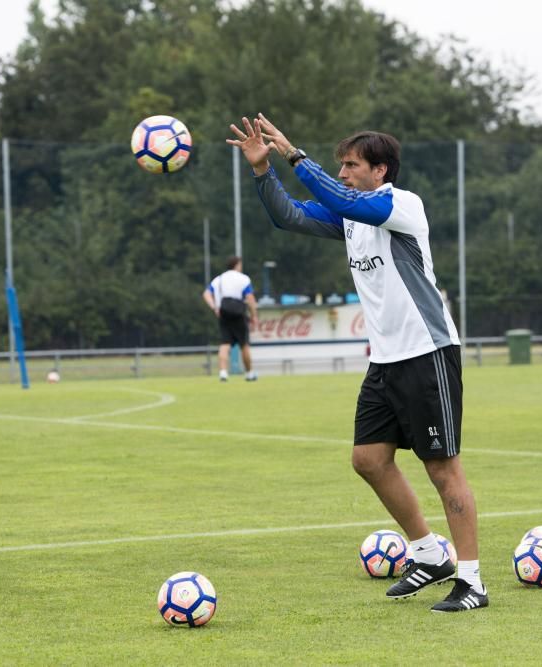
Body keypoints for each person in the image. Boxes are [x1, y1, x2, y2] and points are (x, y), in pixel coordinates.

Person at [227, 113, 486, 613]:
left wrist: (293, 153)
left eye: (351, 164)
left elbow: (341, 198)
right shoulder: (351, 217)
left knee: (442, 468)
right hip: (386, 360)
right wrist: (263, 170)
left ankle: (472, 581)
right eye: (340, 164)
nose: (342, 172)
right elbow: (291, 216)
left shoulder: (401, 205)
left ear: (381, 171)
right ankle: (430, 554)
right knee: (367, 459)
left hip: (426, 351)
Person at [202, 256, 259, 382]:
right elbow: (250, 298)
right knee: (244, 344)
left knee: (225, 343)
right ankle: (249, 373)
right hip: (239, 313)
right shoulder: (243, 279)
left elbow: (206, 294)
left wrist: (215, 307)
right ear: (237, 265)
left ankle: (223, 373)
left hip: (224, 313)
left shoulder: (219, 279)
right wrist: (254, 315)